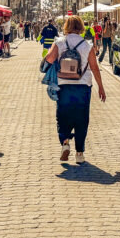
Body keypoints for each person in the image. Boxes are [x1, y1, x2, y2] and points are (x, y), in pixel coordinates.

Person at [44, 16, 106, 164]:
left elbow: (49, 59)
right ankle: (79, 153)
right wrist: (101, 87)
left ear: (66, 26)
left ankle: (65, 143)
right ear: (81, 27)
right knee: (81, 119)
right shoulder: (86, 45)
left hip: (63, 84)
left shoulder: (59, 42)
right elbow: (94, 67)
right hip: (83, 86)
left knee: (62, 115)